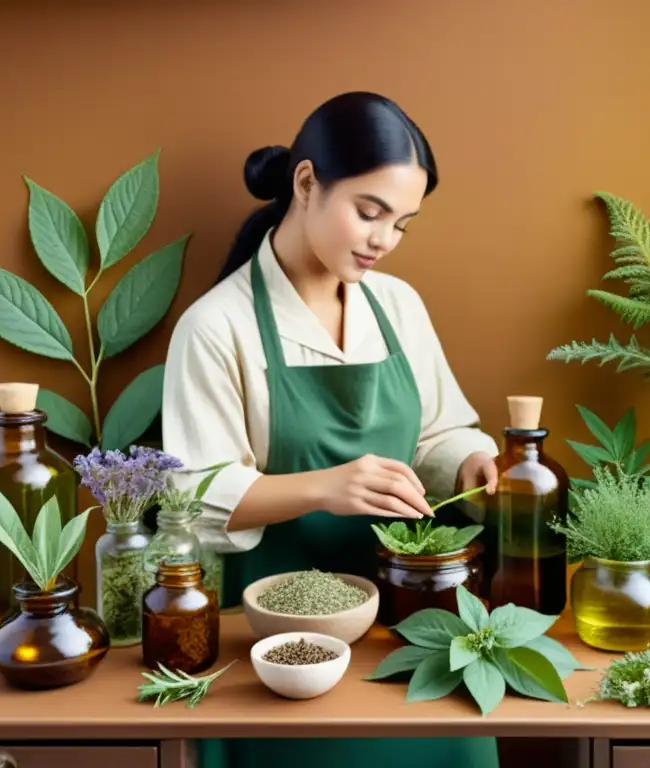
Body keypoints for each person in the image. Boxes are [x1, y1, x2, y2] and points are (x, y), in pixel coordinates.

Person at [161, 91, 501, 768]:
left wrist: (471, 463)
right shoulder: (216, 327)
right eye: (369, 213)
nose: (383, 241)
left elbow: (437, 434)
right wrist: (325, 487)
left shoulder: (399, 306)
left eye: (403, 224)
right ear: (307, 182)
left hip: (409, 623)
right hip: (278, 643)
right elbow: (195, 495)